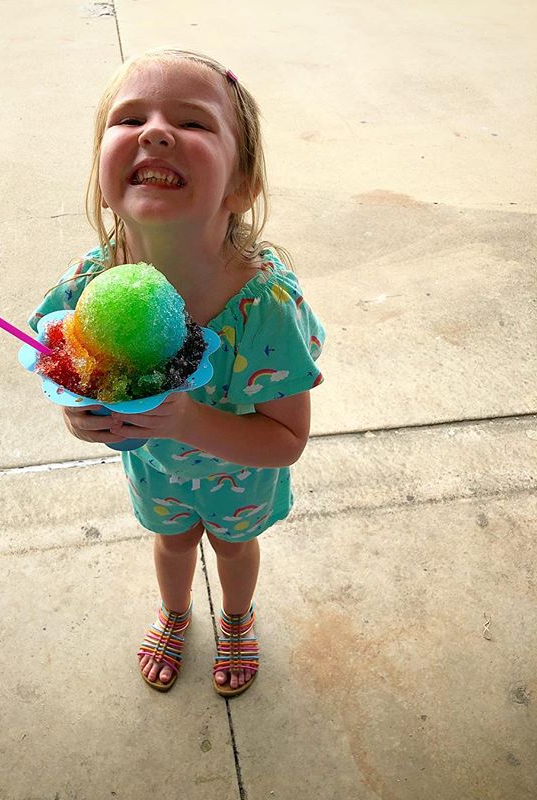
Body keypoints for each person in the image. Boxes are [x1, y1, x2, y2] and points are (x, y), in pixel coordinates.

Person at [29, 47, 325, 697]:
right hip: (154, 471)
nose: (156, 131)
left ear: (241, 186)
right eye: (129, 118)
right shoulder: (89, 286)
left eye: (193, 124)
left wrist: (188, 418)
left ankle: (238, 620)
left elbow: (287, 441)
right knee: (171, 545)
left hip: (239, 477)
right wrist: (79, 414)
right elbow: (66, 371)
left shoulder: (264, 310)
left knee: (232, 549)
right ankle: (175, 613)